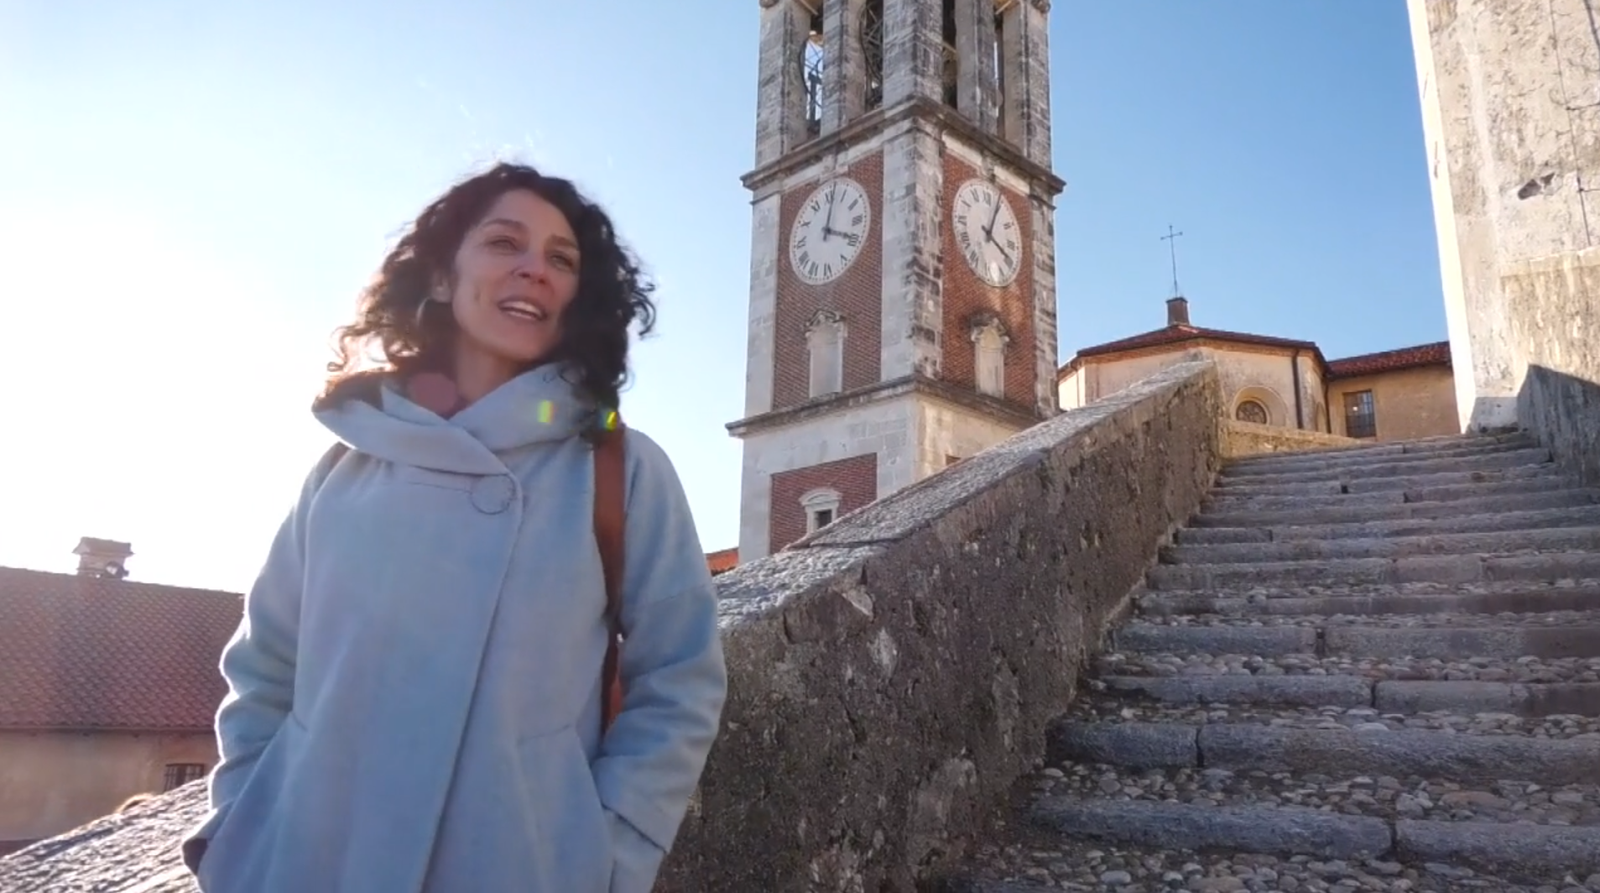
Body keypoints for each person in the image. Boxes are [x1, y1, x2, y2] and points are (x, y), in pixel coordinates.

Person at [180, 162, 728, 893]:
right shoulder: (346, 465)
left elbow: (680, 677)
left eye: (561, 259)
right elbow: (265, 669)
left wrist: (605, 856)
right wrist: (239, 830)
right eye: (505, 243)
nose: (535, 268)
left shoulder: (619, 468)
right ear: (440, 279)